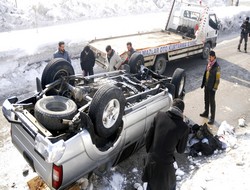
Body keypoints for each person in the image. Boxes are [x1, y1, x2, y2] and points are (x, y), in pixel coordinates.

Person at [142, 99, 189, 190]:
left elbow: (147, 137)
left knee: (151, 186)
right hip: (166, 167)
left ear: (171, 107)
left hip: (151, 162)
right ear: (182, 112)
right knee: (170, 186)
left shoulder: (159, 115)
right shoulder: (183, 127)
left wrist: (151, 154)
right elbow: (180, 150)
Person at [200, 50, 220, 125]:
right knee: (206, 100)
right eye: (209, 56)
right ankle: (206, 112)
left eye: (211, 56)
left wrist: (214, 88)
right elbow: (205, 74)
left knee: (212, 102)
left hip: (212, 88)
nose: (210, 57)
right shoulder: (208, 64)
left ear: (214, 57)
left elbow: (217, 79)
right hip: (206, 85)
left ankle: (212, 118)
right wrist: (203, 84)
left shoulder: (216, 66)